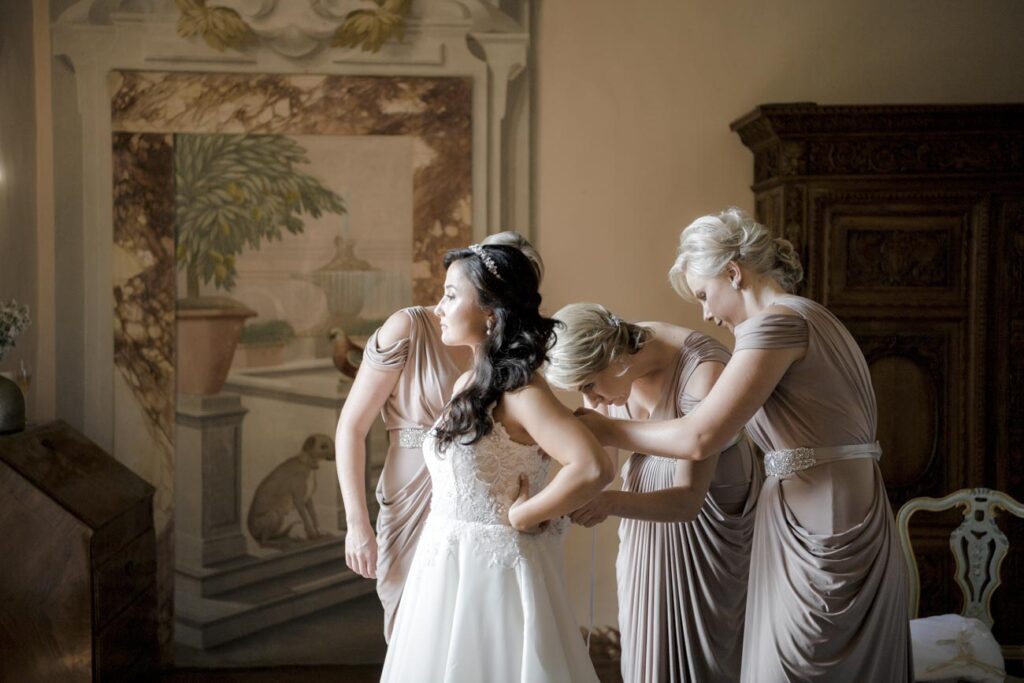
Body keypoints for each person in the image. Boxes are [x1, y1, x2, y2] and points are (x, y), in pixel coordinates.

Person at [577, 208, 913, 682]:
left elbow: (701, 435)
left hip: (820, 518)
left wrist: (607, 430)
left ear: (733, 273)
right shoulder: (813, 315)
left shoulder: (773, 326)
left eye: (703, 295)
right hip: (845, 508)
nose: (707, 313)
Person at [380, 243, 612, 682]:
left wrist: (526, 513)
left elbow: (593, 466)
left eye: (450, 295)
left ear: (491, 312)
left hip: (495, 573)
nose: (438, 307)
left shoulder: (523, 393)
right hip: (443, 567)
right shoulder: (470, 381)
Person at [334, 232, 543, 640]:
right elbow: (351, 426)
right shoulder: (409, 326)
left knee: (472, 632)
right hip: (412, 493)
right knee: (412, 630)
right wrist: (357, 524)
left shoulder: (503, 346)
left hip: (478, 502)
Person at [545, 302, 760, 683]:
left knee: (704, 661)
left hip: (705, 539)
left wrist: (609, 503)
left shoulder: (703, 373)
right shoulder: (606, 366)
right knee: (648, 650)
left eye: (589, 386)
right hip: (645, 539)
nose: (591, 402)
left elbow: (687, 500)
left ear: (614, 357)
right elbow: (601, 469)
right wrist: (548, 505)